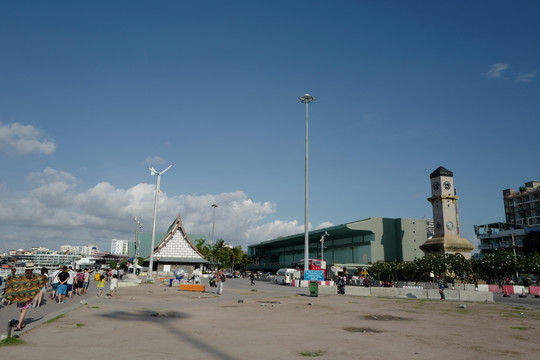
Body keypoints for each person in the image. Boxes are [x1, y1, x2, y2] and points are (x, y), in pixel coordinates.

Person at [3, 263, 46, 331]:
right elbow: (40, 282)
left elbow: (13, 280)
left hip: (20, 295)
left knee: (21, 310)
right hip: (28, 296)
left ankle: (22, 324)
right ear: (32, 269)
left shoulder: (21, 276)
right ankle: (19, 326)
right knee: (24, 310)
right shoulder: (34, 276)